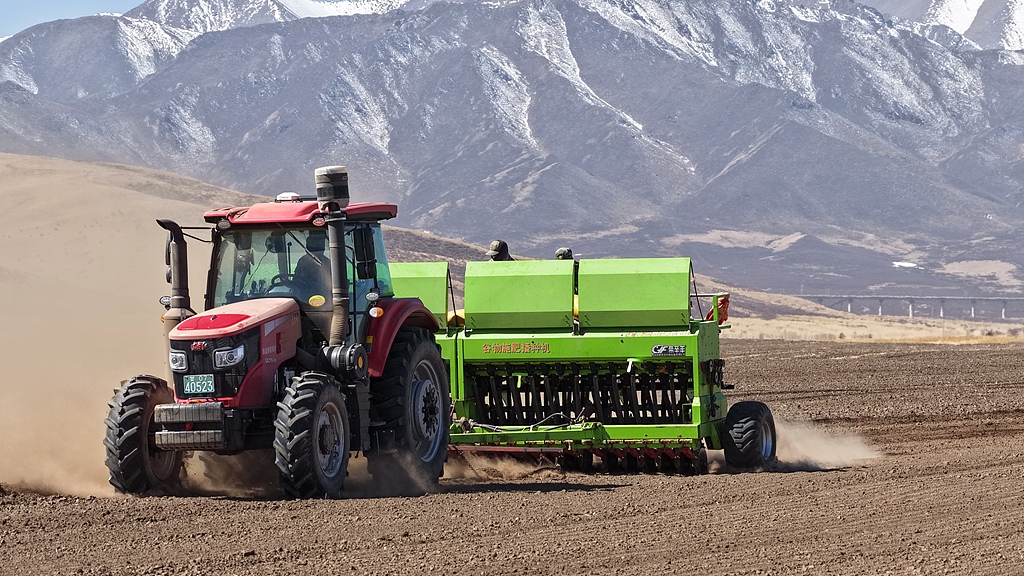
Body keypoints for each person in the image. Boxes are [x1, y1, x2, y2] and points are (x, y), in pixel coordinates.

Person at [293, 231, 331, 295]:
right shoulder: (304, 261)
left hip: (324, 296)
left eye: (321, 241)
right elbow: (298, 281)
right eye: (315, 241)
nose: (319, 243)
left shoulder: (327, 262)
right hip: (307, 294)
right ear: (308, 241)